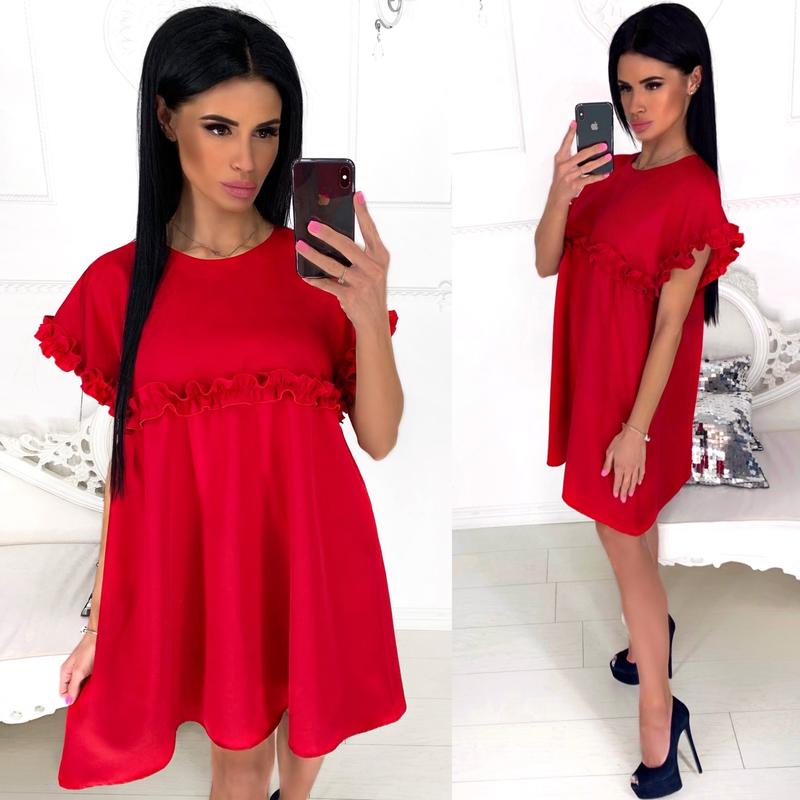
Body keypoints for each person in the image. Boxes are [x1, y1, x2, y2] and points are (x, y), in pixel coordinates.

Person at [34, 7, 405, 798]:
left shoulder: (321, 274)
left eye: (267, 132)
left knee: (307, 741)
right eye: (219, 127)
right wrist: (102, 624)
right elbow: (126, 471)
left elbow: (378, 438)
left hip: (313, 551)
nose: (247, 159)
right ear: (166, 118)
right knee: (238, 761)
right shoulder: (115, 287)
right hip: (208, 569)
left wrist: (370, 314)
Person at [534, 3, 743, 796]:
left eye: (653, 84)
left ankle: (660, 709)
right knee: (629, 534)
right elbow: (546, 262)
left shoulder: (694, 191)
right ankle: (648, 639)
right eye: (625, 88)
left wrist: (635, 430)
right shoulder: (607, 172)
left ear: (693, 81)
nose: (636, 104)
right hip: (594, 381)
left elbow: (670, 324)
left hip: (636, 400)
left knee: (622, 540)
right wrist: (559, 191)